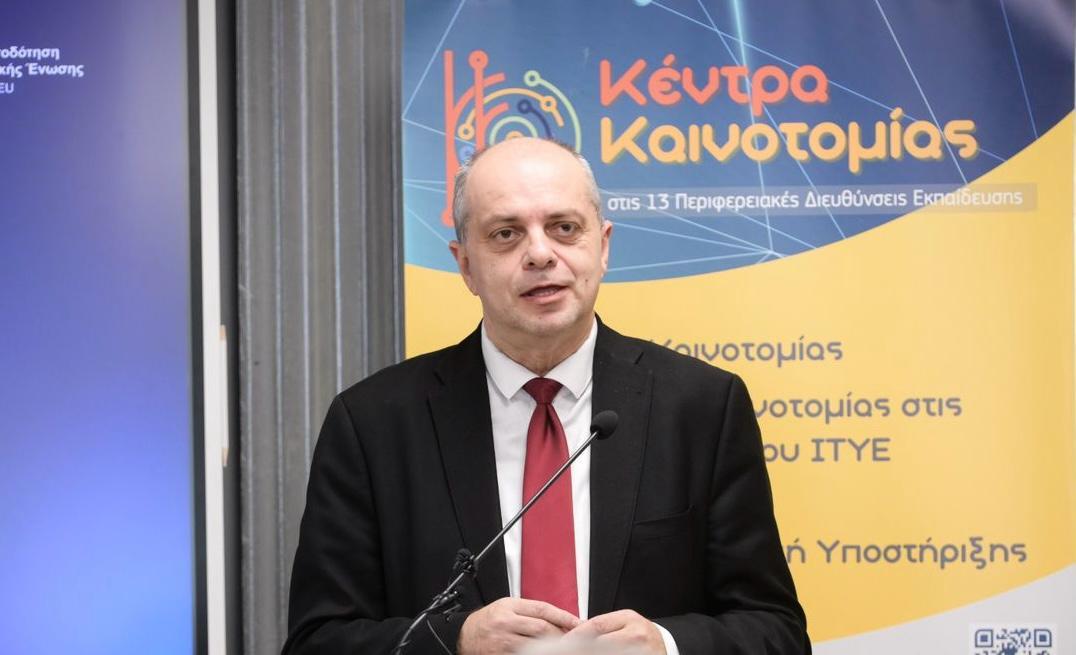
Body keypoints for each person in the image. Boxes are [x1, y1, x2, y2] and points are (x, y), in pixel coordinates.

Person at [282, 137, 809, 655]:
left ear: (602, 246)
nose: (539, 254)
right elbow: (317, 641)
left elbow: (776, 631)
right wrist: (457, 641)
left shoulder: (701, 407)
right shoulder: (373, 424)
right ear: (466, 266)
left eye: (564, 228)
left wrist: (667, 646)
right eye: (506, 234)